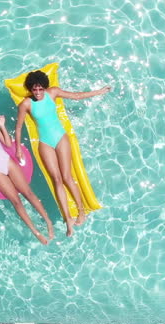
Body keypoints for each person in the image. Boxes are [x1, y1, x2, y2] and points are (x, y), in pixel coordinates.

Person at [15, 71, 111, 237]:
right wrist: (17, 148)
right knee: (57, 179)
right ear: (30, 89)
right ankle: (68, 220)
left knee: (66, 177)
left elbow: (77, 96)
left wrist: (99, 91)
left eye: (39, 89)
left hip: (60, 137)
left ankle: (81, 212)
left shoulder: (53, 92)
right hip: (44, 143)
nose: (37, 92)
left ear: (44, 86)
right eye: (34, 90)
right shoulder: (26, 104)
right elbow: (19, 127)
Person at [0, 101, 54, 245]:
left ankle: (48, 221)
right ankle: (36, 231)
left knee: (28, 193)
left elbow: (7, 144)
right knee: (16, 202)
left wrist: (2, 125)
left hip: (8, 163)